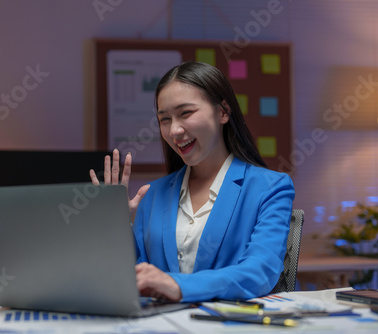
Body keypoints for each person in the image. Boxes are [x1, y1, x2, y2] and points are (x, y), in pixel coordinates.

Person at [90, 61, 295, 303]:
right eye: (164, 119)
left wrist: (176, 285)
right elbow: (133, 277)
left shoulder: (270, 188)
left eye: (185, 113)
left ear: (223, 112)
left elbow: (260, 272)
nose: (174, 130)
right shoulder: (152, 194)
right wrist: (116, 227)